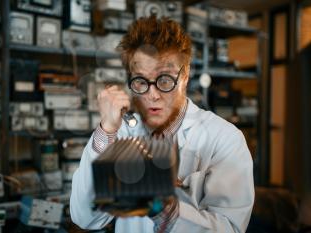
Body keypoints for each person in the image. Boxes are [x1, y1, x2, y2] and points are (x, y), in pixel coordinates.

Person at [70, 15, 254, 233]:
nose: (152, 95)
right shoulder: (121, 130)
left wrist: (162, 207)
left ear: (185, 75)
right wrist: (106, 129)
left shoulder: (224, 138)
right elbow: (85, 218)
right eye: (140, 81)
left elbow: (230, 228)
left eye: (164, 80)